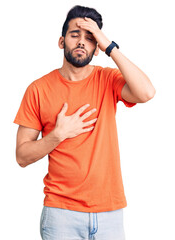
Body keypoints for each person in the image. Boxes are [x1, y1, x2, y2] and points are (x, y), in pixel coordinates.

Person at [14, 5, 155, 240]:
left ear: (97, 48)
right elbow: (21, 156)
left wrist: (109, 45)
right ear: (61, 42)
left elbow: (147, 93)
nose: (82, 42)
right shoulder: (38, 89)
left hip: (109, 212)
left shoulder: (107, 79)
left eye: (90, 38)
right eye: (75, 35)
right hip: (61, 214)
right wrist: (58, 134)